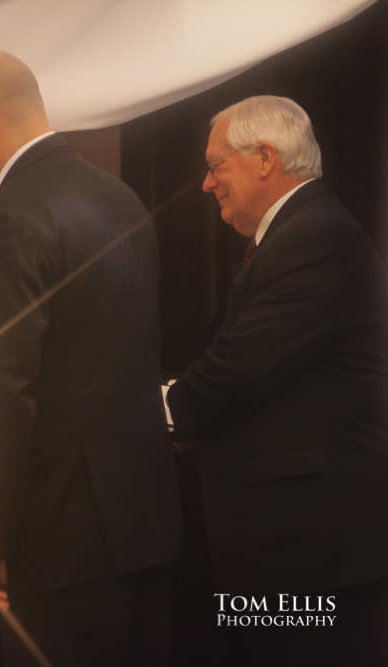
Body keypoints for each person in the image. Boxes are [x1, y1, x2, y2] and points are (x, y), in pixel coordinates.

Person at [0, 51, 181, 667]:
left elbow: (7, 389)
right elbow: (99, 354)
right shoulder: (120, 198)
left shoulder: (6, 220)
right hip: (145, 523)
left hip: (59, 536)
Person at [166, 95, 388, 666]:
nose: (206, 183)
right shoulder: (300, 231)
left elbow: (233, 373)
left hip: (309, 553)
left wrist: (145, 408)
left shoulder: (313, 236)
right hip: (294, 546)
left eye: (216, 166)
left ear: (265, 158)